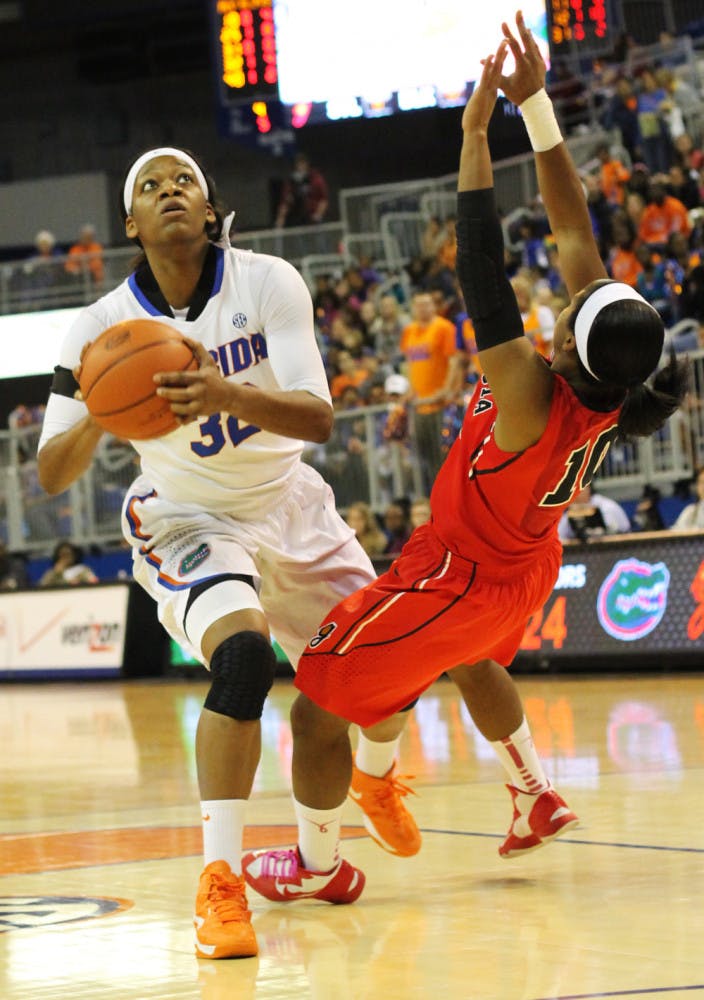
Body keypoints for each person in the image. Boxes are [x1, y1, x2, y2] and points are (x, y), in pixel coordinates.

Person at [242, 12, 687, 907]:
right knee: (476, 661)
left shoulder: (526, 390)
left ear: (566, 348)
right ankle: (532, 790)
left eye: (571, 307)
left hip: (458, 576)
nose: (567, 294)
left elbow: (481, 262)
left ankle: (321, 867)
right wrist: (537, 108)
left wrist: (479, 135)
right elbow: (572, 232)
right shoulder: (607, 382)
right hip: (523, 571)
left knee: (318, 698)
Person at [35, 146, 420, 960]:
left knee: (390, 681)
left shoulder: (268, 280)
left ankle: (369, 785)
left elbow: (318, 418)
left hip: (290, 503)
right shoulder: (95, 328)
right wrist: (107, 404)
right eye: (150, 186)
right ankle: (220, 882)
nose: (169, 191)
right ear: (129, 223)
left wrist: (224, 394)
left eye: (185, 183)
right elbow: (50, 472)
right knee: (244, 659)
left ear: (210, 212)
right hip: (187, 514)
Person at [400, 291, 463, 492]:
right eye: (418, 305)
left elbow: (454, 360)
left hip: (440, 403)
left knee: (444, 455)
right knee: (425, 458)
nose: (422, 308)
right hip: (419, 405)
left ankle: (451, 494)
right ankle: (435, 496)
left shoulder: (443, 328)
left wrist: (446, 389)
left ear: (434, 307)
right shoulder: (409, 331)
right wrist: (410, 388)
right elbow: (409, 362)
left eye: (427, 304)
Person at [557, 484, 632, 541]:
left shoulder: (605, 506)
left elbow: (611, 534)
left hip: (622, 546)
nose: (571, 495)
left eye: (574, 490)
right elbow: (560, 535)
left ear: (588, 489)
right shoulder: (572, 511)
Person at [275, 152, 329, 228]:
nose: (301, 166)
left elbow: (324, 199)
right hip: (298, 221)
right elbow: (285, 202)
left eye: (303, 163)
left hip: (314, 219)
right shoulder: (291, 181)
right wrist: (280, 218)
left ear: (307, 164)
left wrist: (318, 214)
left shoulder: (316, 179)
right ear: (296, 165)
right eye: (299, 164)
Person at [64, 224, 105, 289]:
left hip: (95, 280)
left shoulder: (96, 247)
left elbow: (97, 264)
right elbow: (68, 266)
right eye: (83, 236)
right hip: (79, 281)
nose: (85, 239)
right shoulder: (75, 249)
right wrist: (78, 269)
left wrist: (84, 266)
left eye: (88, 237)